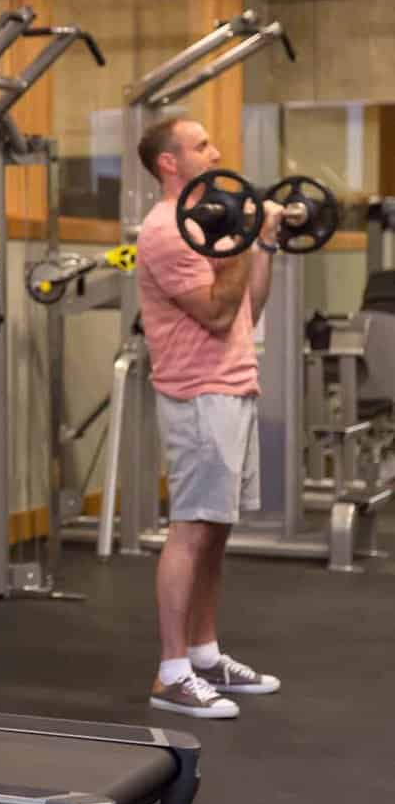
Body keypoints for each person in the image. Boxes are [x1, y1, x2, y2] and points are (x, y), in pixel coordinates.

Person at [134, 116, 285, 719]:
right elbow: (217, 315)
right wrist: (248, 234)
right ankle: (172, 672)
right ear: (169, 163)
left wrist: (263, 241)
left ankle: (203, 652)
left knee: (216, 529)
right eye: (201, 146)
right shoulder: (169, 231)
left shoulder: (206, 226)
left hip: (233, 386)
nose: (216, 152)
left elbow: (248, 304)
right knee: (192, 526)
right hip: (198, 393)